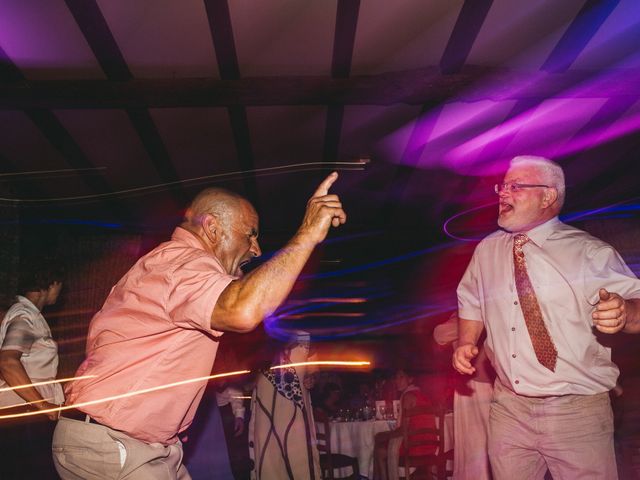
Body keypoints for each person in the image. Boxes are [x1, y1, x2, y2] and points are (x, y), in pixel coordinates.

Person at [51, 172, 347, 479]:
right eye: (250, 234)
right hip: (116, 443)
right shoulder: (184, 262)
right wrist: (308, 233)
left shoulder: (170, 264)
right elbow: (242, 310)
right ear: (213, 228)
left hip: (131, 442)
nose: (256, 249)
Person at [453, 155, 640, 479]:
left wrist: (626, 312)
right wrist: (466, 342)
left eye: (516, 186)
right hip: (508, 408)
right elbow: (470, 299)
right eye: (502, 186)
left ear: (548, 196)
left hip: (577, 410)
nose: (503, 193)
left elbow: (637, 303)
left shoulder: (587, 251)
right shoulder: (487, 250)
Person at [0, 259, 64, 479]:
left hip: (22, 413)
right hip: (23, 413)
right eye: (60, 284)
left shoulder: (28, 315)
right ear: (51, 283)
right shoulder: (25, 317)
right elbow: (8, 361)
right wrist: (42, 404)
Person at [249, 331, 321, 480]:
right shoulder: (262, 330)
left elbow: (314, 369)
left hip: (297, 414)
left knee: (301, 462)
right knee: (269, 460)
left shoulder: (306, 335)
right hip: (266, 413)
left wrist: (312, 377)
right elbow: (249, 372)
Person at [434, 311, 493, 480]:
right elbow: (439, 334)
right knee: (470, 444)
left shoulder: (492, 307)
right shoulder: (462, 314)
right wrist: (472, 326)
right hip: (468, 388)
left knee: (487, 442)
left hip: (492, 386)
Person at [373, 367, 436, 480]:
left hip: (415, 448)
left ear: (410, 379)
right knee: (382, 440)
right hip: (430, 446)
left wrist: (382, 435)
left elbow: (403, 430)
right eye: (396, 377)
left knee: (379, 447)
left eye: (401, 377)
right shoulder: (422, 395)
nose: (397, 380)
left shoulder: (408, 396)